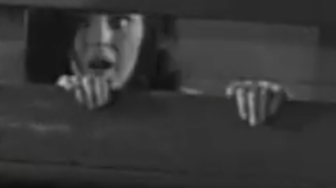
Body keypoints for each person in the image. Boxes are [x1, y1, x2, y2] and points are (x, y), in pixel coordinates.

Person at [25, 9, 288, 126]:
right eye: (82, 23)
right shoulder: (30, 108)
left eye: (120, 21)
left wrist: (259, 109)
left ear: (149, 35)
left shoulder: (188, 115)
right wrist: (56, 113)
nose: (101, 38)